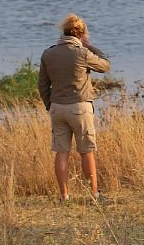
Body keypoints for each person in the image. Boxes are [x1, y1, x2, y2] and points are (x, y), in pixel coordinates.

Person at [39, 13, 109, 202]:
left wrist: (49, 104)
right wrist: (89, 45)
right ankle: (94, 194)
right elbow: (105, 66)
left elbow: (43, 85)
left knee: (61, 152)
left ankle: (64, 195)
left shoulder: (49, 53)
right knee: (86, 151)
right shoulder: (82, 53)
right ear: (81, 34)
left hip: (57, 107)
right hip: (80, 106)